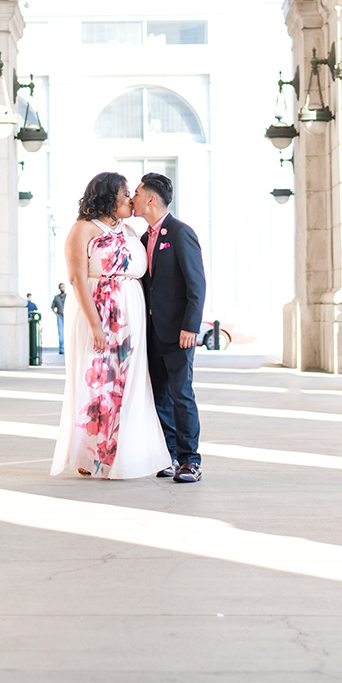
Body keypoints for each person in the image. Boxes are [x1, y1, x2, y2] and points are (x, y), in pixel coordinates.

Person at [50, 172, 170, 480]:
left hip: (132, 316)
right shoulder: (83, 229)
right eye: (125, 192)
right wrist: (95, 325)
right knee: (96, 384)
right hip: (98, 314)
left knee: (129, 384)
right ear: (108, 196)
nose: (130, 197)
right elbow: (77, 278)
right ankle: (90, 456)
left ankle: (124, 452)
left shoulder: (130, 230)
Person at [131, 172, 206, 483]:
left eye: (135, 193)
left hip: (178, 334)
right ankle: (170, 456)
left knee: (181, 395)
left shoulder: (180, 233)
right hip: (151, 333)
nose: (131, 198)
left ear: (151, 198)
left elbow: (196, 284)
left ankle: (191, 461)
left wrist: (190, 326)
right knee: (159, 395)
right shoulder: (144, 238)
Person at [51, 282, 67, 355]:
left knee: (67, 333)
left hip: (67, 316)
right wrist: (56, 314)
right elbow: (52, 307)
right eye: (61, 287)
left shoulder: (67, 296)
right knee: (61, 333)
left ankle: (67, 348)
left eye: (63, 287)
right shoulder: (56, 297)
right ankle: (61, 349)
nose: (62, 288)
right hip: (60, 316)